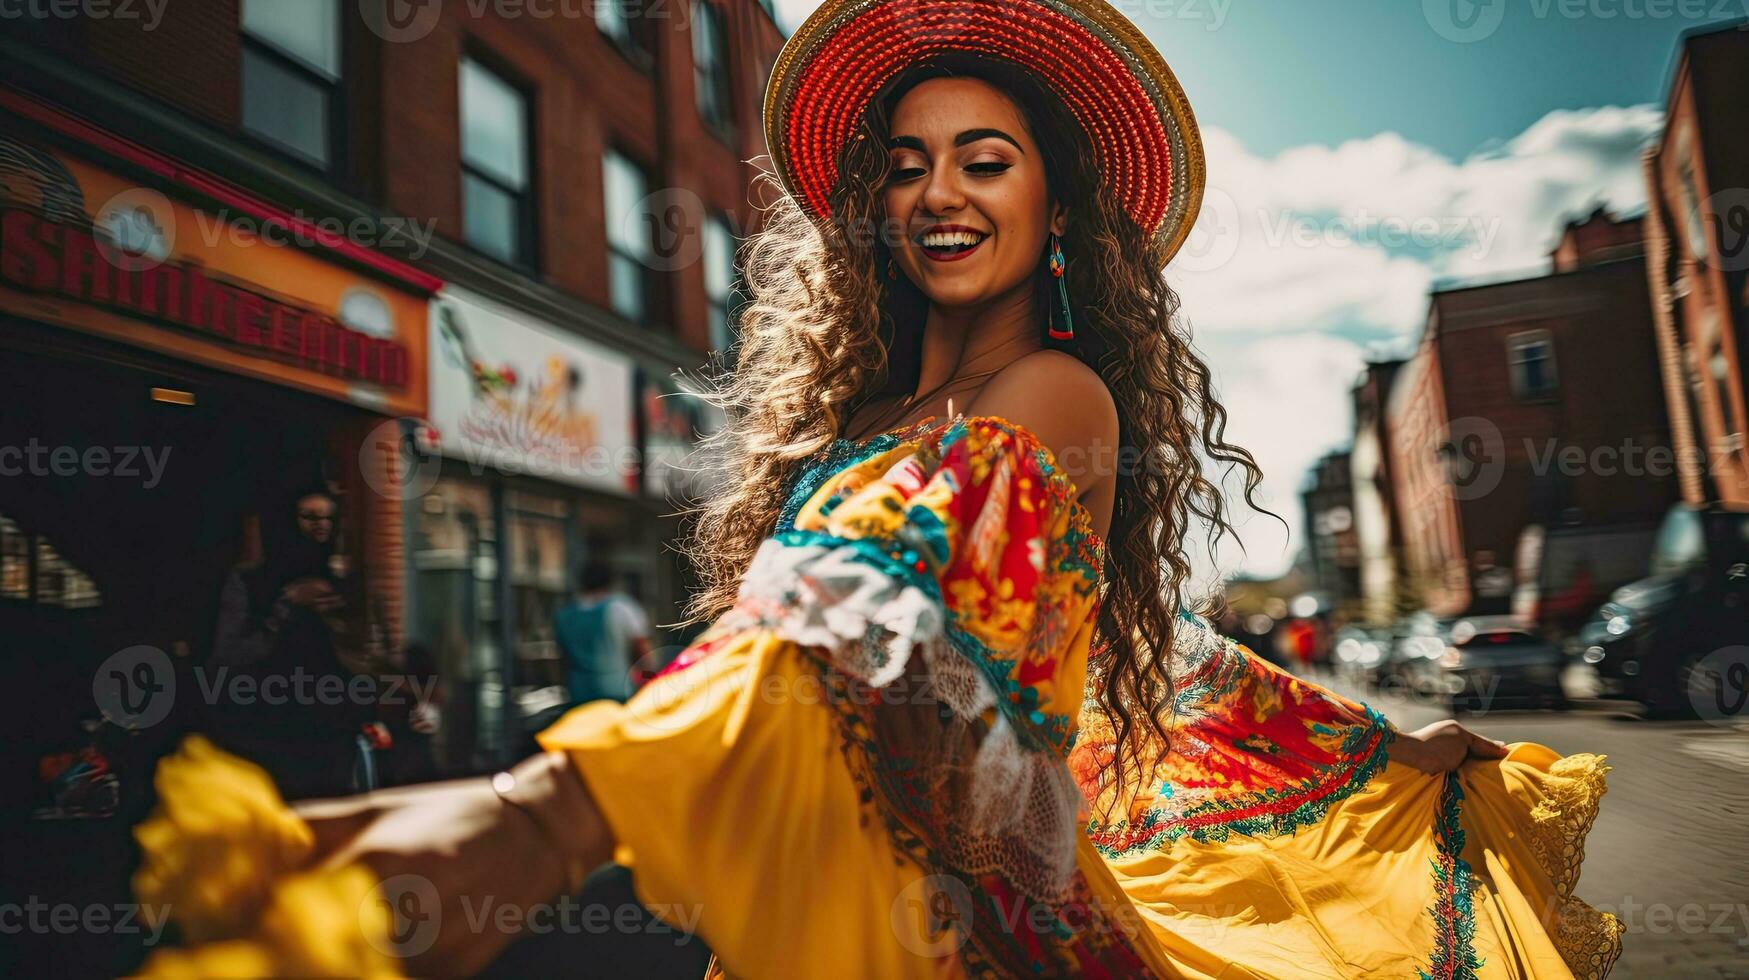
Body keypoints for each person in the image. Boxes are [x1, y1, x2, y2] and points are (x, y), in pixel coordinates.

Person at [138, 2, 1623, 976]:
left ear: (1055, 209)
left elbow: (884, 602)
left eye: (986, 158)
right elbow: (1166, 661)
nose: (939, 192)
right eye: (907, 163)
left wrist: (540, 812)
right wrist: (1361, 724)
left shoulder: (1060, 395)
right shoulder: (862, 416)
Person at [207, 487, 377, 800]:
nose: (320, 526)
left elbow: (371, 656)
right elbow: (231, 653)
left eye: (328, 518)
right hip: (269, 729)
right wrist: (285, 606)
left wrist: (337, 620)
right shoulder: (251, 581)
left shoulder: (345, 582)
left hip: (333, 732)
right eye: (310, 517)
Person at [553, 559, 652, 706]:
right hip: (617, 692)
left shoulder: (564, 615)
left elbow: (562, 659)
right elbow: (643, 653)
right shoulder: (622, 607)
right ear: (611, 582)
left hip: (578, 695)